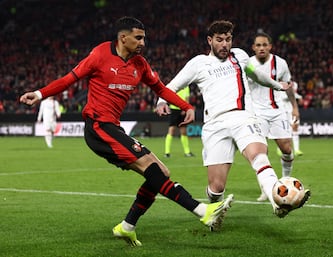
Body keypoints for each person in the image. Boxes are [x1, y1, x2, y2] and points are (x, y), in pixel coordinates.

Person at [20, 16, 234, 247]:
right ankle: (202, 210)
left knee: (161, 171)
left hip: (113, 127)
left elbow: (160, 89)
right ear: (124, 37)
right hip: (98, 127)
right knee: (152, 169)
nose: (143, 42)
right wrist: (40, 94)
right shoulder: (100, 54)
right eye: (138, 37)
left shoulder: (139, 64)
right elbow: (69, 79)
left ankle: (127, 226)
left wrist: (186, 106)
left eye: (144, 37)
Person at [156, 20, 310, 218]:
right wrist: (161, 100)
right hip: (215, 125)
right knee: (216, 187)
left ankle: (277, 201)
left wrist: (276, 85)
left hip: (244, 117)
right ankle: (214, 210)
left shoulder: (240, 56)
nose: (225, 44)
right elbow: (172, 85)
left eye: (228, 39)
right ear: (210, 40)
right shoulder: (198, 63)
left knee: (259, 156)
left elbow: (257, 75)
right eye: (219, 40)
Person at [247, 32, 300, 202]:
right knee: (261, 152)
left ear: (270, 46)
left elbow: (289, 86)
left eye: (265, 45)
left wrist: (294, 108)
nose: (262, 48)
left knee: (286, 149)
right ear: (253, 48)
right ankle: (266, 188)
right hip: (257, 113)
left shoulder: (280, 63)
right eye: (258, 45)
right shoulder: (247, 64)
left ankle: (286, 181)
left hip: (278, 111)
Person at [164, 86, 195, 158]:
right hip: (174, 109)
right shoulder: (176, 84)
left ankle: (187, 152)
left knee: (183, 131)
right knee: (171, 130)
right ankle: (167, 152)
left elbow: (187, 98)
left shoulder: (186, 87)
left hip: (182, 109)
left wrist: (185, 109)